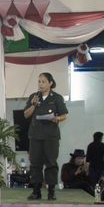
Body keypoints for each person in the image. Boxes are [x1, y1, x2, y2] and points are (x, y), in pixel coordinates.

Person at [23, 72, 69, 200]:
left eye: (43, 81)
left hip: (51, 136)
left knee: (51, 163)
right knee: (35, 163)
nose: (40, 84)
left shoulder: (57, 98)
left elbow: (64, 115)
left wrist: (57, 118)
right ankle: (36, 191)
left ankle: (51, 191)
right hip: (35, 136)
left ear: (50, 83)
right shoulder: (33, 97)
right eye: (39, 81)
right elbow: (26, 114)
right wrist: (33, 104)